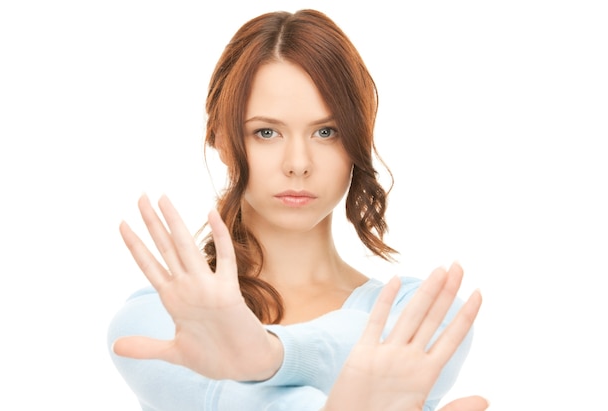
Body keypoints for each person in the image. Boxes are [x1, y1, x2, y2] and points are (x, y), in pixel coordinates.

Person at [107, 9, 487, 411]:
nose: (298, 163)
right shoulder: (157, 315)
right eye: (266, 132)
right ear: (219, 136)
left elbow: (364, 337)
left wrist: (270, 354)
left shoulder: (417, 310)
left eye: (327, 132)